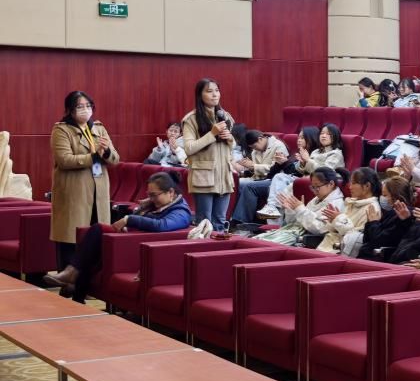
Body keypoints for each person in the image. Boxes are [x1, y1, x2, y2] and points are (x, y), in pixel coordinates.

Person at [45, 173, 193, 302]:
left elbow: (162, 225)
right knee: (96, 241)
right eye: (149, 195)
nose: (151, 198)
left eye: (154, 195)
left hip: (140, 248)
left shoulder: (181, 212)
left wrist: (129, 219)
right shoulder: (157, 205)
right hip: (128, 241)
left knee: (98, 235)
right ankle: (75, 287)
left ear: (171, 192)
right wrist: (145, 206)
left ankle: (73, 277)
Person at [48, 91, 119, 268]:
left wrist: (107, 152)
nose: (85, 110)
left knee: (95, 238)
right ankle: (66, 278)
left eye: (88, 106)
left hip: (98, 193)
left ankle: (87, 281)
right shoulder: (61, 130)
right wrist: (93, 157)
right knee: (71, 239)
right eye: (80, 106)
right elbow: (64, 160)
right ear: (70, 110)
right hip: (74, 193)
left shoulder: (98, 128)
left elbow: (115, 159)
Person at [180, 79, 236, 232]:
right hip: (204, 178)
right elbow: (189, 148)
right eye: (209, 91)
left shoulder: (225, 116)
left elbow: (232, 147)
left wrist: (230, 138)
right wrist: (212, 134)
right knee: (204, 223)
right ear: (200, 95)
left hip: (224, 176)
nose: (215, 95)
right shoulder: (191, 119)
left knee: (220, 223)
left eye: (217, 90)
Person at [262, 167, 345, 247]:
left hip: (304, 239)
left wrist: (301, 210)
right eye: (313, 187)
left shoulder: (336, 204)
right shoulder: (316, 199)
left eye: (317, 187)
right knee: (259, 240)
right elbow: (294, 222)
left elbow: (321, 229)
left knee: (264, 245)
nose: (314, 191)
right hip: (292, 232)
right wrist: (291, 210)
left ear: (331, 184)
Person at [230, 130, 289, 224]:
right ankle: (231, 215)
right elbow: (256, 170)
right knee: (236, 182)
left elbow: (275, 169)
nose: (254, 149)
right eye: (252, 147)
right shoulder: (255, 151)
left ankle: (241, 220)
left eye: (255, 146)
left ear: (260, 139)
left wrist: (253, 166)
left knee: (248, 186)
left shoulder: (278, 146)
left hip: (274, 179)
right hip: (258, 178)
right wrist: (249, 167)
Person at [359, 175, 415, 261]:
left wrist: (373, 223)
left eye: (385, 195)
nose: (382, 198)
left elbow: (379, 241)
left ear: (396, 197)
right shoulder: (389, 213)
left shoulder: (404, 216)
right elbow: (367, 240)